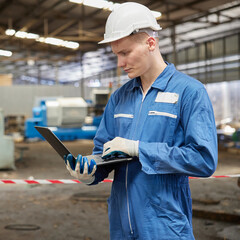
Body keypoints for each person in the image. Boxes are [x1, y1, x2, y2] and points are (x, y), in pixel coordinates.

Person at [64, 2, 218, 239]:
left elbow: (204, 160)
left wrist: (139, 149)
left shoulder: (189, 92)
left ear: (151, 43)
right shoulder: (120, 97)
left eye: (125, 53)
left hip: (165, 225)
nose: (120, 63)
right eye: (117, 55)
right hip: (122, 225)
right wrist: (90, 171)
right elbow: (103, 152)